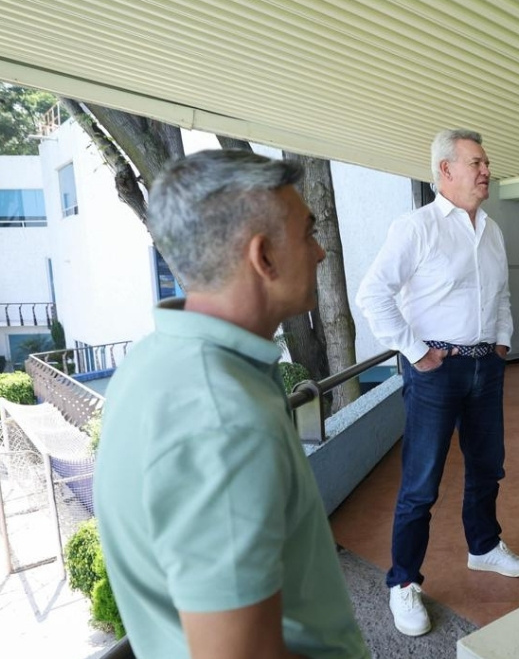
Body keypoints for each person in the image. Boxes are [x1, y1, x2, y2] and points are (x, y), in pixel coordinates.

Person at [94, 150, 368, 659]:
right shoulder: (221, 420)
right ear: (263, 257)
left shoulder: (157, 358)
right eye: (308, 233)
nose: (321, 252)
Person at [356, 129, 519, 638]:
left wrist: (502, 341)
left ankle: (483, 548)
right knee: (420, 484)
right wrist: (416, 352)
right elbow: (374, 294)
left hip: (485, 367)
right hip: (436, 370)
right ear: (445, 171)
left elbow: (499, 295)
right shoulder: (417, 227)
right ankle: (403, 581)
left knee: (487, 467)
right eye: (476, 162)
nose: (486, 171)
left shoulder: (492, 230)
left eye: (486, 163)